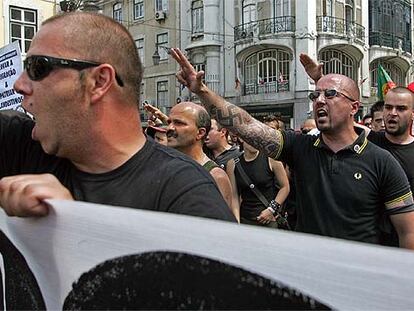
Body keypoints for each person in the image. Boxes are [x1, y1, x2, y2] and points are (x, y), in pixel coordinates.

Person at [0, 12, 235, 223]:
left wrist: (72, 226)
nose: (19, 85)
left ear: (99, 82)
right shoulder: (19, 146)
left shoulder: (184, 195)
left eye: (37, 67)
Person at [171, 48, 414, 248]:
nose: (319, 100)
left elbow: (408, 232)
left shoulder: (381, 161)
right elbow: (245, 125)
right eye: (315, 95)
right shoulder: (300, 147)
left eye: (330, 94)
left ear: (354, 107)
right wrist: (201, 91)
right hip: (308, 273)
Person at [166, 102, 239, 221]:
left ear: (200, 133)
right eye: (169, 122)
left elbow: (221, 226)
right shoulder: (167, 167)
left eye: (179, 123)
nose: (170, 128)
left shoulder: (215, 176)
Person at [231, 139, 290, 227]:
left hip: (269, 218)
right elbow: (234, 196)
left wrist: (271, 209)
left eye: (257, 138)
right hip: (245, 219)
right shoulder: (233, 163)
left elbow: (285, 187)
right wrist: (237, 221)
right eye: (250, 138)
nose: (254, 142)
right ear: (241, 138)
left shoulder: (271, 159)